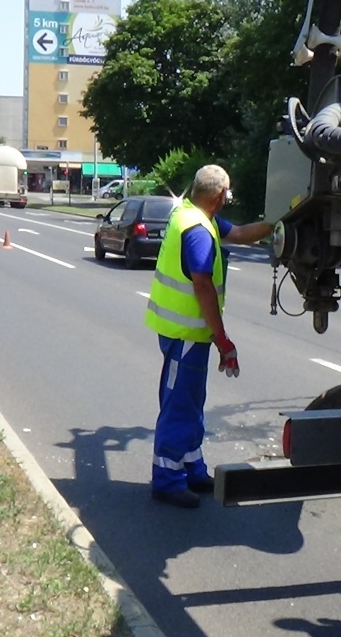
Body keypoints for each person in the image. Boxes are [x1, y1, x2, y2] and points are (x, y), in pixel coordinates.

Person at [143, 165, 273, 508]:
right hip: (184, 332)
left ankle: (191, 467)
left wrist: (279, 223)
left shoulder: (194, 215)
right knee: (179, 405)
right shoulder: (198, 230)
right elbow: (202, 285)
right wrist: (223, 339)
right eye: (227, 193)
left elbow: (243, 233)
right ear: (219, 196)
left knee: (191, 402)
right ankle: (167, 480)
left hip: (187, 333)